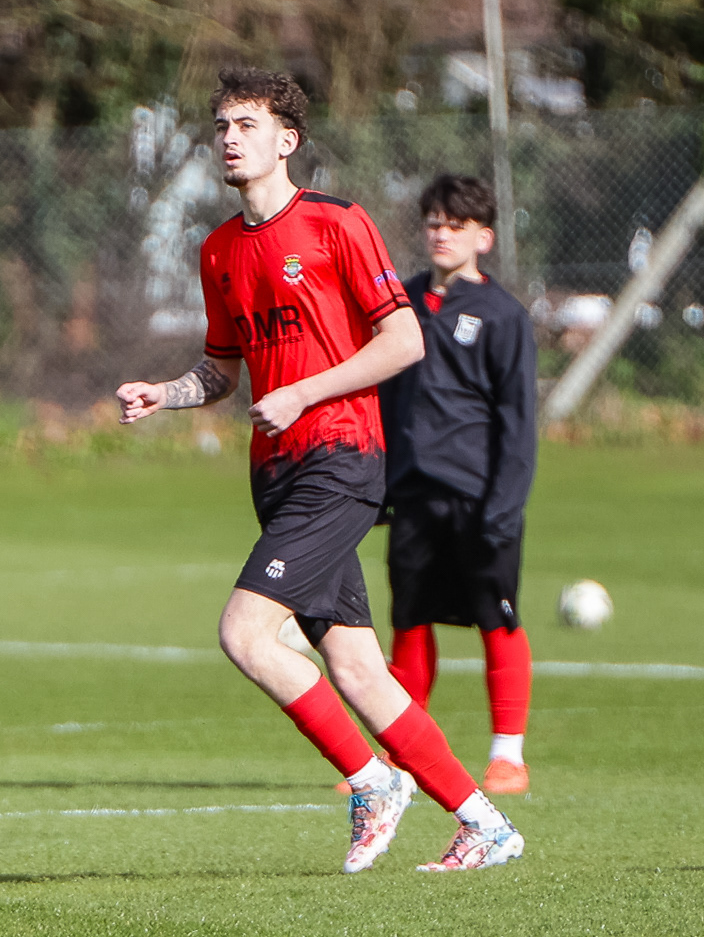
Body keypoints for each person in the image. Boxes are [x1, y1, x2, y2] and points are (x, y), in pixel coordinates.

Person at [115, 67, 524, 874]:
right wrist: (166, 393)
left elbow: (403, 341)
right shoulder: (218, 250)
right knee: (358, 668)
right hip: (276, 475)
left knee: (244, 633)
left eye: (247, 125)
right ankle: (485, 823)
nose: (229, 139)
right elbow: (221, 370)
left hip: (340, 460)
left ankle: (372, 781)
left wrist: (304, 392)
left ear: (287, 140)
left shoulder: (337, 223)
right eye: (222, 126)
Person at [379, 174, 537, 795]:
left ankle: (508, 757)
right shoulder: (401, 303)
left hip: (480, 498)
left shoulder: (503, 315)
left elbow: (517, 422)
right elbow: (384, 395)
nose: (441, 234)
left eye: (456, 225)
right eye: (434, 223)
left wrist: (505, 504)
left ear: (484, 238)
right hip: (413, 493)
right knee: (410, 621)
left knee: (498, 619)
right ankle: (401, 754)